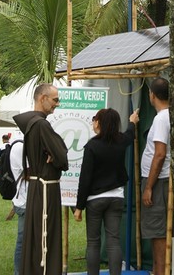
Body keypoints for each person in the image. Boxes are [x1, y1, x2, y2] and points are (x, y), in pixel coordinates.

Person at [74, 107, 140, 275]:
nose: (93, 122)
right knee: (113, 241)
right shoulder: (121, 141)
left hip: (95, 200)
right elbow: (130, 134)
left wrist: (79, 207)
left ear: (99, 123)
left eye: (95, 119)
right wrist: (133, 121)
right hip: (116, 197)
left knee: (93, 243)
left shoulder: (91, 146)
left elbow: (85, 178)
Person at [13, 83, 68, 275]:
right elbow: (62, 157)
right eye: (55, 100)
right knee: (46, 236)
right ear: (42, 98)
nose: (57, 104)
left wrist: (56, 152)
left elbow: (58, 154)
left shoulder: (32, 123)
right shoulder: (42, 124)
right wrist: (57, 153)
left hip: (38, 187)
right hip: (45, 189)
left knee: (37, 236)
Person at [140, 77, 170, 275]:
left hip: (158, 181)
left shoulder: (161, 118)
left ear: (152, 94)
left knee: (158, 233)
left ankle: (160, 271)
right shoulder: (168, 115)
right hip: (160, 179)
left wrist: (149, 186)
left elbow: (159, 154)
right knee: (158, 232)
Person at [9, 136, 28, 275]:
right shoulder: (20, 147)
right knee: (22, 241)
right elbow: (31, 171)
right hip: (24, 202)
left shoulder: (22, 145)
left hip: (26, 200)